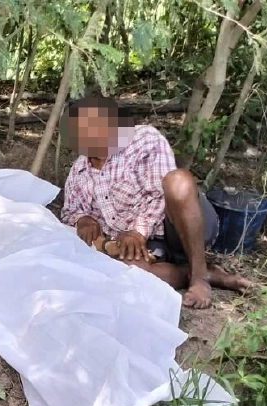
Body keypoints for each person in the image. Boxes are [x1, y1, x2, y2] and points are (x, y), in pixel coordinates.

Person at [59, 95, 253, 309]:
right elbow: (69, 212)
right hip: (147, 246)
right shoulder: (79, 171)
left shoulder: (143, 139)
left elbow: (159, 194)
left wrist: (137, 232)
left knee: (178, 181)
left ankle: (200, 278)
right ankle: (199, 272)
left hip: (179, 223)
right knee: (129, 273)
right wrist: (83, 218)